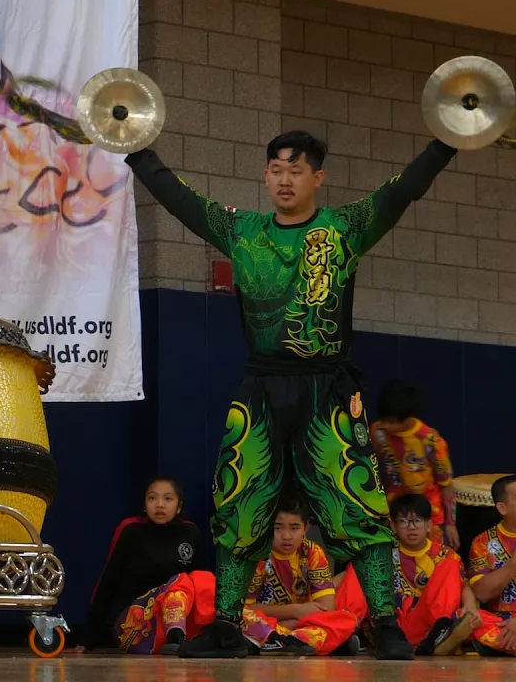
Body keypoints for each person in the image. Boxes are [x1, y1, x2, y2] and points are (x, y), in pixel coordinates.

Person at [126, 129, 456, 659]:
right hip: (259, 388)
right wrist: (135, 149)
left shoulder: (344, 228)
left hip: (328, 389)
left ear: (317, 178)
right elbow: (180, 199)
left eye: (296, 170)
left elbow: (400, 192)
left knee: (360, 508)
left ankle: (387, 625)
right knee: (238, 505)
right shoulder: (241, 230)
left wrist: (445, 144)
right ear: (265, 175)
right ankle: (228, 627)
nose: (284, 179)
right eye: (276, 169)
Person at [73, 477, 213, 655]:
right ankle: (175, 639)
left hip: (179, 622)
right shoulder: (131, 530)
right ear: (145, 505)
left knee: (200, 580)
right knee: (179, 584)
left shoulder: (190, 532)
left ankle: (185, 637)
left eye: (168, 499)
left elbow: (202, 586)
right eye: (152, 498)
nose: (160, 505)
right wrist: (89, 638)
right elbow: (107, 583)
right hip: (137, 626)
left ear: (178, 507)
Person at [335, 493, 480, 656]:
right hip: (388, 627)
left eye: (417, 521)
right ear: (393, 526)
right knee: (365, 563)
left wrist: (470, 605)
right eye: (403, 521)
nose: (411, 527)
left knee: (450, 565)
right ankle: (345, 630)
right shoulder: (383, 552)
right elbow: (346, 579)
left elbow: (463, 584)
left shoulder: (446, 555)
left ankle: (441, 633)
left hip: (427, 625)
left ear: (428, 525)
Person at [237, 500, 354, 656]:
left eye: (294, 528)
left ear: (306, 528)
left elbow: (326, 609)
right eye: (277, 528)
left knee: (345, 619)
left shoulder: (312, 553)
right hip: (266, 622)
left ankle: (277, 641)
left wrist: (294, 619)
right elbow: (245, 609)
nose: (286, 536)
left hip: (298, 623)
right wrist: (296, 610)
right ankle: (295, 641)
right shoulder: (255, 555)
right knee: (236, 615)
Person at [372, 380, 458, 549]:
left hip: (428, 517)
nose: (386, 426)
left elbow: (446, 485)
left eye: (391, 421)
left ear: (408, 417)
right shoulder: (378, 432)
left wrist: (450, 523)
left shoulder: (431, 442)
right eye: (384, 420)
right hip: (394, 513)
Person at [466, 474, 516, 656]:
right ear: (502, 508)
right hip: (501, 621)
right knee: (469, 620)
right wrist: (512, 566)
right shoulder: (483, 542)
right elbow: (481, 594)